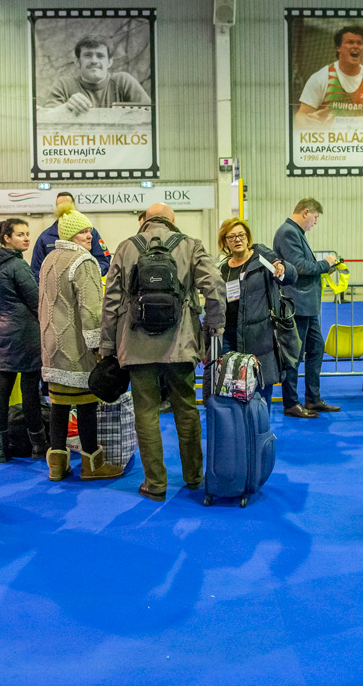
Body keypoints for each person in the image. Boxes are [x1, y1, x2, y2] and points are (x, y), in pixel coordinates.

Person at [100, 202, 225, 502]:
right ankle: (194, 476)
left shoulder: (126, 247)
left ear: (145, 221)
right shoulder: (190, 245)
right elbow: (215, 287)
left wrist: (107, 345)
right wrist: (214, 329)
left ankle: (155, 484)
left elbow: (111, 300)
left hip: (136, 345)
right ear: (172, 221)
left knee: (145, 412)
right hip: (180, 344)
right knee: (186, 408)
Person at [39, 206, 123, 482]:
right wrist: (99, 347)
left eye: (89, 230)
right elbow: (91, 311)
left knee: (59, 406)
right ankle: (92, 465)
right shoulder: (83, 262)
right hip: (77, 348)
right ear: (71, 235)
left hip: (52, 348)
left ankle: (57, 465)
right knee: (87, 404)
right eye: (84, 231)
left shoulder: (49, 259)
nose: (90, 236)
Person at [0, 218, 48, 464]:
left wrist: (1, 324)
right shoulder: (18, 265)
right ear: (6, 238)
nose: (27, 238)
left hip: (7, 331)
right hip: (28, 331)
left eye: (28, 233)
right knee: (30, 391)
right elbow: (36, 300)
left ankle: (1, 448)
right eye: (20, 234)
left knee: (3, 387)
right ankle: (39, 446)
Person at [272, 198, 339, 419]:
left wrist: (322, 269)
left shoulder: (294, 232)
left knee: (316, 349)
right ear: (306, 212)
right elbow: (298, 267)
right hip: (297, 305)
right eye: (315, 217)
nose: (315, 222)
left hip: (306, 306)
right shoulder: (288, 232)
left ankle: (313, 399)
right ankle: (291, 403)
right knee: (294, 355)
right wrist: (325, 264)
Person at [217, 218, 294, 407]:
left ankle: (261, 434)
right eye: (232, 236)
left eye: (241, 235)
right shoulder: (223, 269)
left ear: (247, 237)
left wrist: (283, 267)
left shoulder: (263, 261)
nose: (237, 240)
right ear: (225, 242)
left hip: (260, 337)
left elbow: (289, 277)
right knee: (231, 391)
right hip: (230, 336)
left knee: (260, 394)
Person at [295, 25, 363, 130]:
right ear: (338, 48)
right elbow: (301, 116)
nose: (356, 46)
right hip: (329, 144)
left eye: (359, 43)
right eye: (350, 42)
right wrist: (307, 122)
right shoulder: (320, 79)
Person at [41, 35, 151, 118]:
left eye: (100, 56)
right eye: (87, 55)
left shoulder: (124, 82)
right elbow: (45, 121)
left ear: (109, 62)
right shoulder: (64, 85)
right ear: (78, 62)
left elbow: (150, 116)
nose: (94, 61)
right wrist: (65, 108)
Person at [30, 192, 111, 281]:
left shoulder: (92, 233)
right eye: (60, 204)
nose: (88, 236)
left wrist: (90, 275)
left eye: (67, 204)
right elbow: (37, 270)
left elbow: (104, 259)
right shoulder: (45, 237)